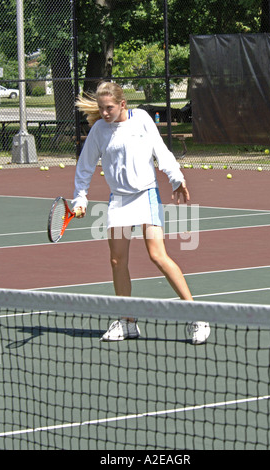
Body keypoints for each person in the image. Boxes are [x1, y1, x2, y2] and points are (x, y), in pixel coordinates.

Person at [72, 82, 210, 344]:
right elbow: (85, 166)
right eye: (101, 109)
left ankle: (197, 316)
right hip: (119, 201)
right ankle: (127, 321)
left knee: (157, 255)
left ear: (123, 104)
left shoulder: (142, 119)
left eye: (109, 108)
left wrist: (176, 178)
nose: (104, 113)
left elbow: (161, 152)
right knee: (117, 261)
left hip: (145, 195)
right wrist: (81, 197)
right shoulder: (100, 130)